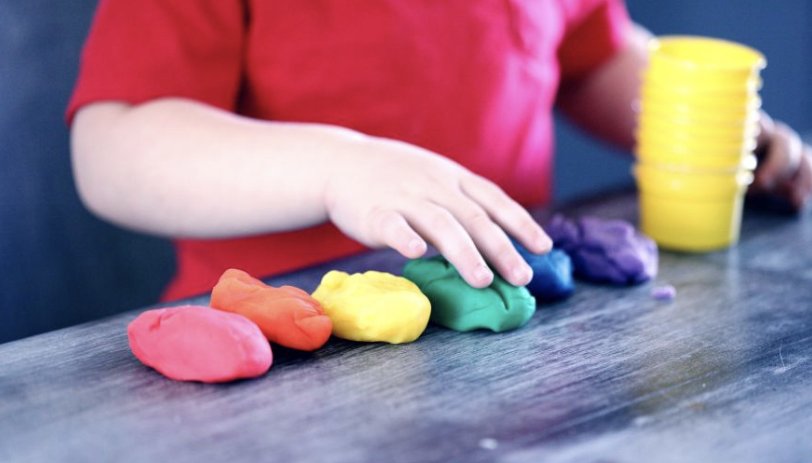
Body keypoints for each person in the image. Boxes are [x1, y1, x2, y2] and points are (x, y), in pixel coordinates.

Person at [68, 1, 812, 301]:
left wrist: (718, 135)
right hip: (280, 346)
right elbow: (115, 146)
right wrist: (340, 168)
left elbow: (589, 55)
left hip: (511, 326)